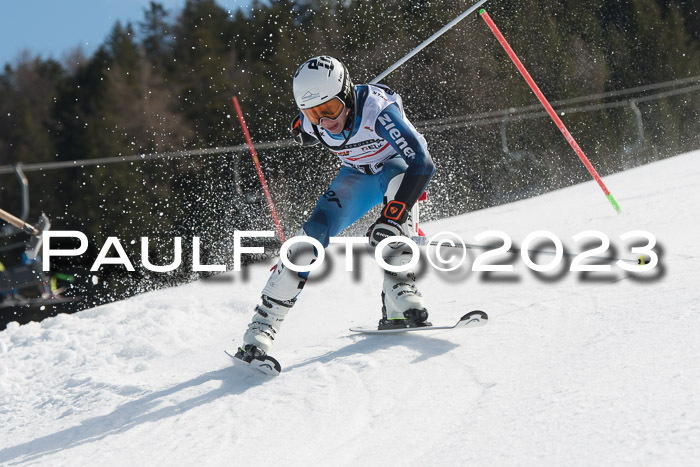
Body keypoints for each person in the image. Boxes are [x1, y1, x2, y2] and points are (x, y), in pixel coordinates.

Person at [235, 55, 435, 363]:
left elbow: (422, 162)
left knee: (397, 197)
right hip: (357, 177)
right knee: (311, 236)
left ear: (346, 92)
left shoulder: (379, 112)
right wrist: (304, 128)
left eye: (329, 109)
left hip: (395, 168)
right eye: (314, 113)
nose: (326, 121)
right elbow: (303, 127)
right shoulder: (313, 122)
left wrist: (391, 218)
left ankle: (400, 287)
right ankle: (262, 326)